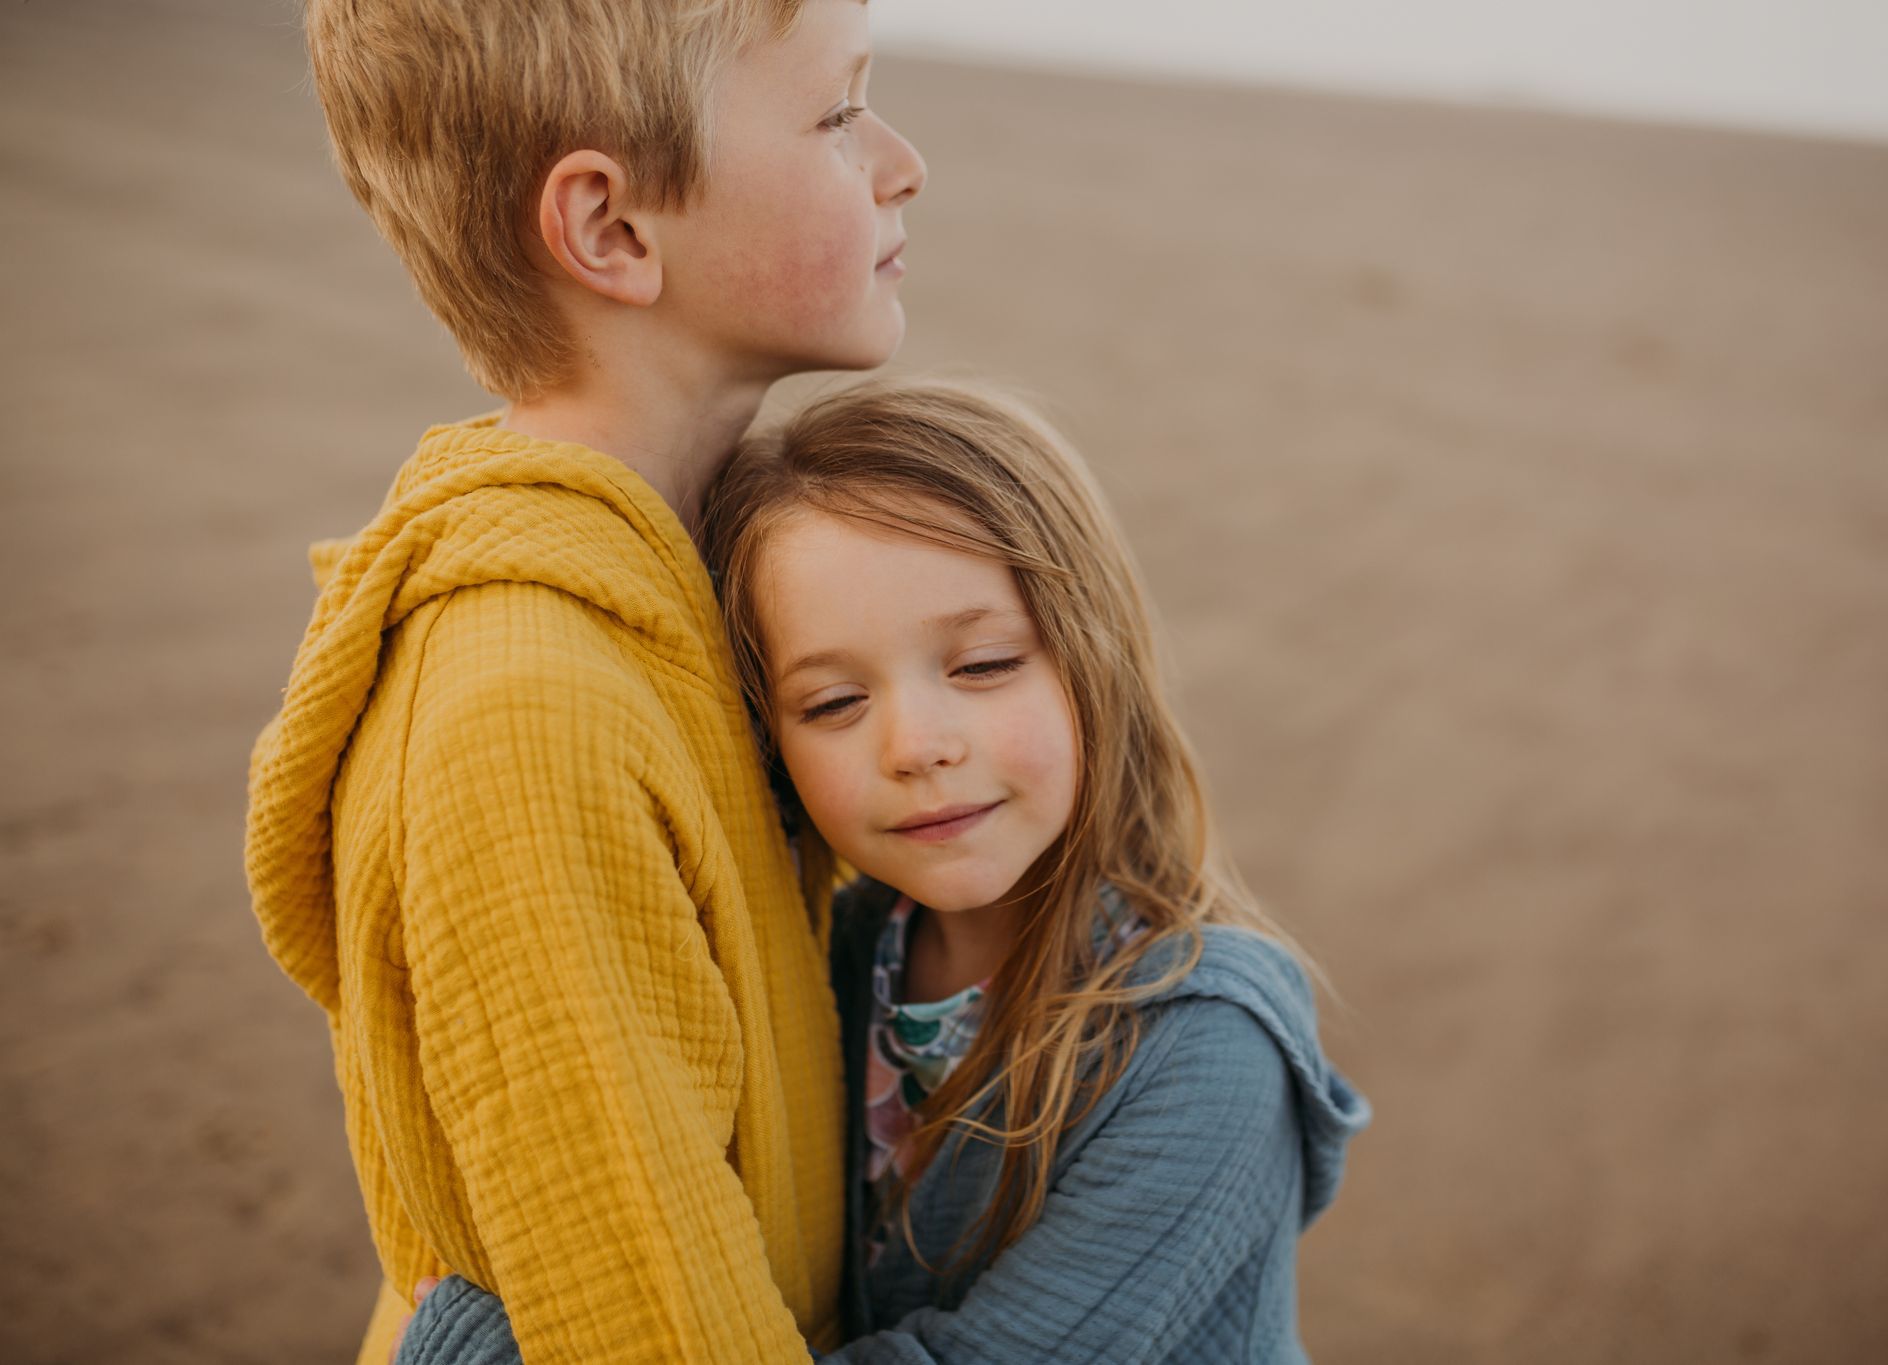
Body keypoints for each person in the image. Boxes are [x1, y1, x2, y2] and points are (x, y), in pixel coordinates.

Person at [392, 381, 1371, 1365]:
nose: (916, 746)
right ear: (766, 743)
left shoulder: (1202, 1050)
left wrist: (477, 1338)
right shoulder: (832, 958)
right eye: (832, 703)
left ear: (1093, 660)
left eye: (982, 666)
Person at [243, 1, 925, 1361]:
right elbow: (654, 1325)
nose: (902, 160)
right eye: (840, 112)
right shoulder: (528, 720)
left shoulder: (700, 574)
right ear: (612, 230)